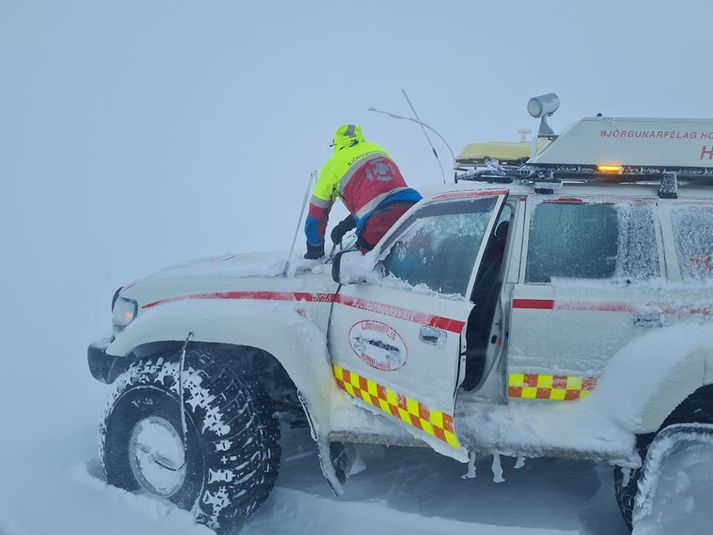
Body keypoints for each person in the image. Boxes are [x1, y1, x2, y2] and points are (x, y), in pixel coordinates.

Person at [304, 124, 422, 259]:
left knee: (372, 267)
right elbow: (380, 196)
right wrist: (345, 225)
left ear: (336, 144)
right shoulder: (379, 149)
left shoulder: (333, 163)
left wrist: (315, 250)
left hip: (377, 227)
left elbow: (316, 213)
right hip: (415, 211)